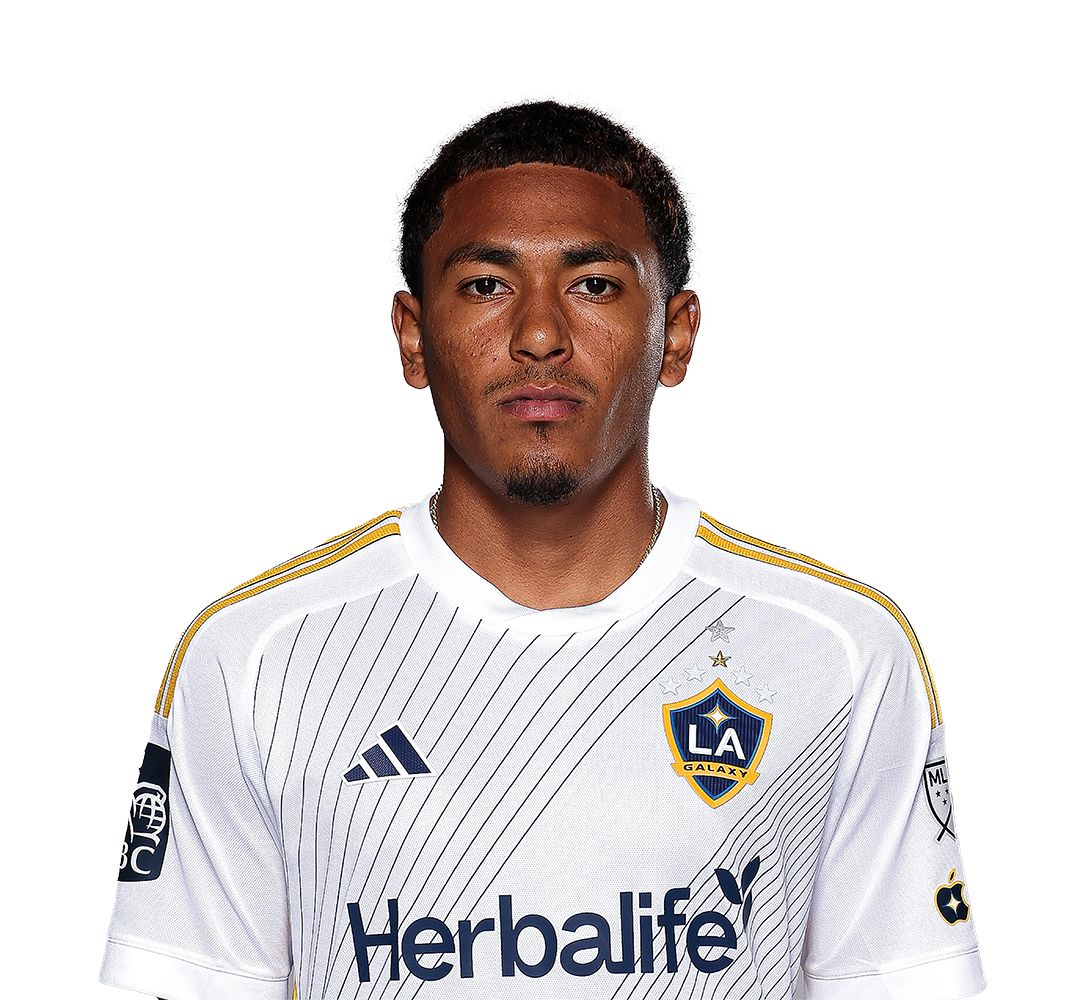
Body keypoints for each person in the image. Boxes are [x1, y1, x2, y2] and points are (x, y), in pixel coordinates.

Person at [100, 99, 986, 1000]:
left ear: (675, 335)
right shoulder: (256, 659)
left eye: (593, 284)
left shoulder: (836, 652)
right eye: (487, 285)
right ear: (413, 336)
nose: (538, 336)